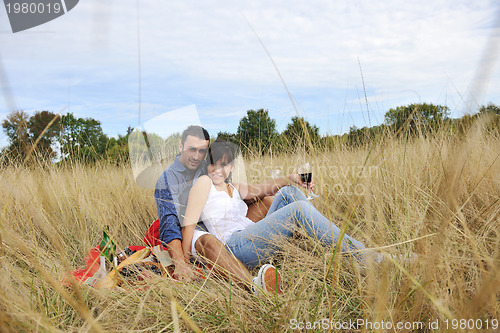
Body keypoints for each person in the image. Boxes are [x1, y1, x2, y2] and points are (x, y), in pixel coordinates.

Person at [181, 141, 372, 269]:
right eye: (214, 163)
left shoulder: (234, 187)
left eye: (224, 165)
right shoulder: (204, 183)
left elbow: (263, 188)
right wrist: (184, 263)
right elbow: (188, 224)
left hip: (251, 235)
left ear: (231, 167)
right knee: (298, 210)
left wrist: (292, 178)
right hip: (235, 247)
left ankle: (324, 246)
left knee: (289, 192)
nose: (218, 169)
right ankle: (364, 256)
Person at [155, 126, 281, 293]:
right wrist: (181, 263)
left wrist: (275, 188)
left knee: (269, 200)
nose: (196, 156)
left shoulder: (207, 165)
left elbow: (230, 193)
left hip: (224, 222)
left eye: (202, 151)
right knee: (208, 240)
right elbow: (170, 224)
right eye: (191, 149)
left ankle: (286, 246)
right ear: (181, 147)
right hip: (197, 232)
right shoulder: (167, 180)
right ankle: (254, 287)